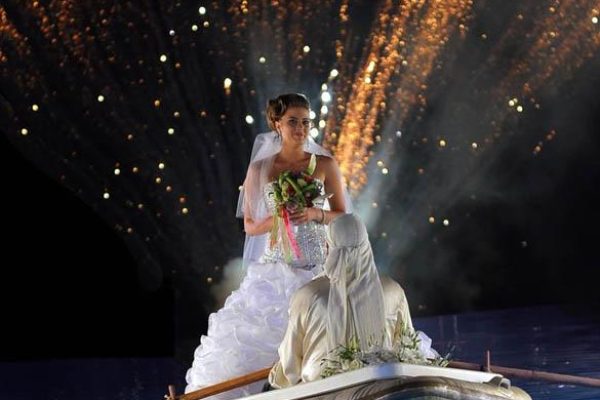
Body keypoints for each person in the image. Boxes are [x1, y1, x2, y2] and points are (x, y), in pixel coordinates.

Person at [185, 93, 348, 398]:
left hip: (316, 265)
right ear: (277, 123)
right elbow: (249, 225)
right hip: (275, 268)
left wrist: (313, 213)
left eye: (306, 122)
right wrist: (280, 216)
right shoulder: (260, 168)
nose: (301, 129)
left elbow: (342, 215)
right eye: (293, 122)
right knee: (253, 336)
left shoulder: (325, 163)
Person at [268, 213, 422, 388]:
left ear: (328, 247)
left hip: (318, 391)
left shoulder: (308, 295)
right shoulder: (393, 290)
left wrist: (276, 377)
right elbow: (408, 350)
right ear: (366, 244)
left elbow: (290, 364)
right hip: (384, 387)